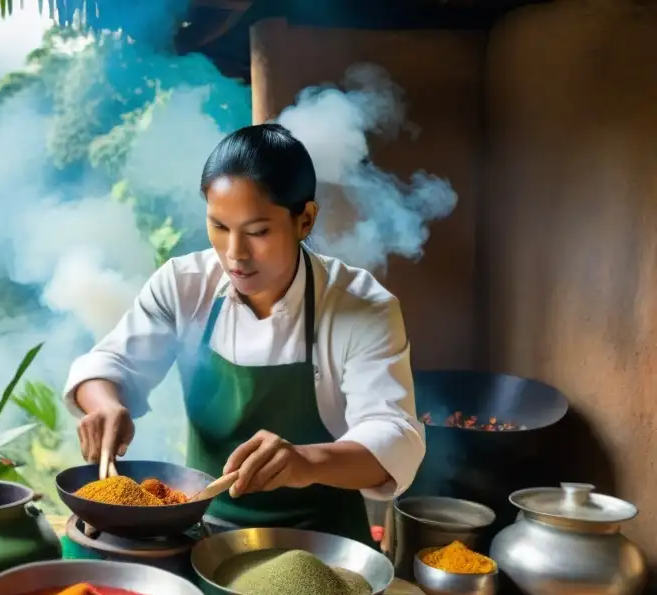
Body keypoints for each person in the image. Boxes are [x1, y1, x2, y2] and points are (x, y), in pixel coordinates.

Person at [64, 123, 425, 547]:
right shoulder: (184, 285)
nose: (235, 253)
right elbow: (111, 364)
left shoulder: (360, 306)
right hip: (203, 538)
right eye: (218, 226)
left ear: (304, 219)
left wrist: (304, 461)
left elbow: (394, 435)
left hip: (326, 547)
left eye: (257, 232)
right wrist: (105, 404)